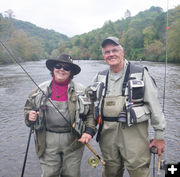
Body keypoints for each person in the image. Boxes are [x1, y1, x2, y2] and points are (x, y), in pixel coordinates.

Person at [88, 37, 166, 177]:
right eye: (107, 52)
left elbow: (155, 106)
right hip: (107, 133)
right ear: (103, 56)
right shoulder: (99, 76)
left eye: (114, 50)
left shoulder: (141, 73)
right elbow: (89, 106)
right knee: (110, 169)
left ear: (122, 52)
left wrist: (159, 136)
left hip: (133, 133)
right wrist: (86, 130)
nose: (111, 54)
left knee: (138, 169)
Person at [24, 54, 96, 177]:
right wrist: (29, 116)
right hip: (46, 140)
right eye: (58, 66)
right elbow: (28, 109)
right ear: (53, 69)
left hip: (74, 139)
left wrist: (88, 132)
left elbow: (91, 114)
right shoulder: (39, 90)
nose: (61, 69)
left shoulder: (82, 90)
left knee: (72, 174)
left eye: (66, 68)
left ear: (71, 72)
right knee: (49, 174)